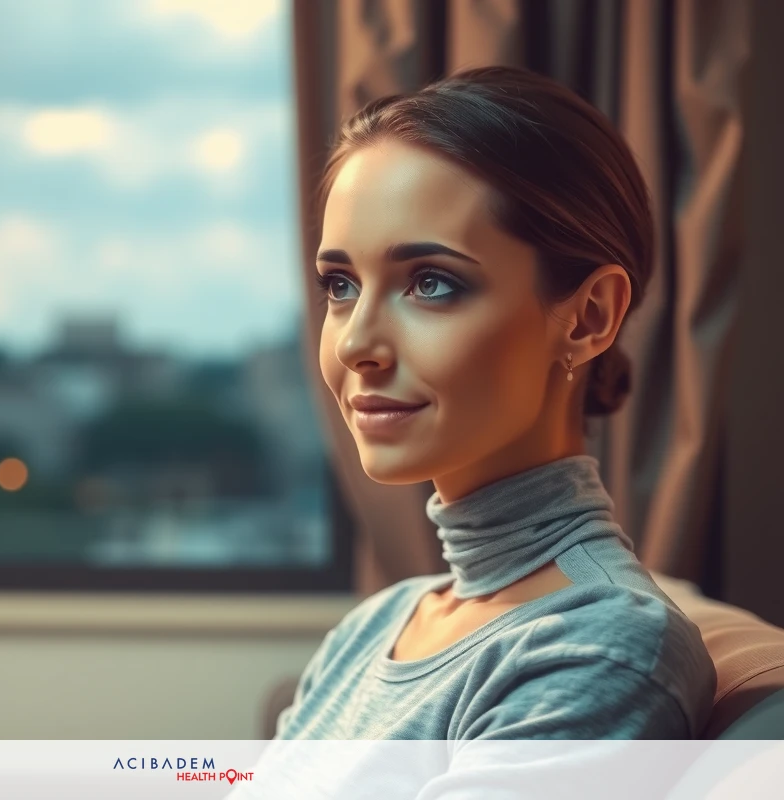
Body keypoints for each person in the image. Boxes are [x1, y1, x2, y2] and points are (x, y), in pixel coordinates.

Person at [274, 65, 716, 743]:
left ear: (589, 317)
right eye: (340, 285)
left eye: (430, 283)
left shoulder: (594, 646)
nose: (357, 342)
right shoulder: (373, 627)